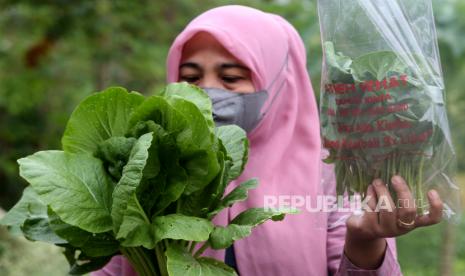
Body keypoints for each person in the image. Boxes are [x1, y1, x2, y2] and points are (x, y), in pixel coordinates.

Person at [93, 5, 444, 276]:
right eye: (190, 77)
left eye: (231, 77)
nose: (208, 92)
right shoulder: (149, 174)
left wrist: (365, 241)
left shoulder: (332, 177)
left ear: (280, 84)